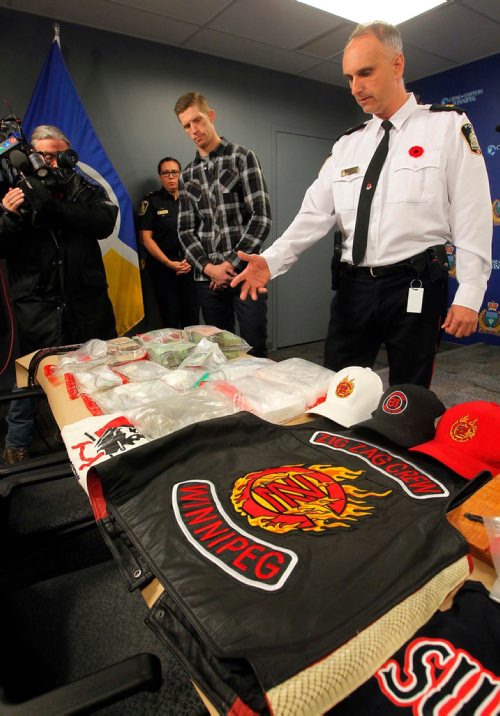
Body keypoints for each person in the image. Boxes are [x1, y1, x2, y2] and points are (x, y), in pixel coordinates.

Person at [231, 21, 492, 386]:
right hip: (355, 288)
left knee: (409, 396)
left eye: (366, 73)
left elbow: (472, 212)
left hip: (414, 285)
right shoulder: (348, 144)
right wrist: (271, 261)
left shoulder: (446, 127)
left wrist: (469, 292)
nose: (356, 87)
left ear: (397, 65)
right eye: (350, 77)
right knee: (335, 389)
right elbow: (314, 214)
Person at [0, 124, 117, 463]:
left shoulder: (84, 187)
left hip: (86, 302)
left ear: (68, 156)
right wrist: (9, 216)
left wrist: (55, 208)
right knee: (28, 378)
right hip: (37, 306)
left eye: (56, 156)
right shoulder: (13, 190)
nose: (49, 163)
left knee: (95, 373)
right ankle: (17, 442)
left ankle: (103, 434)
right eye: (42, 156)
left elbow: (104, 220)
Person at [174, 92, 271, 357]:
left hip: (244, 273)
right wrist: (209, 268)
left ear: (211, 116)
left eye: (198, 120)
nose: (194, 130)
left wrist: (227, 266)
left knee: (254, 345)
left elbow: (260, 218)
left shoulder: (242, 158)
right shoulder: (186, 176)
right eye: (186, 125)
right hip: (206, 280)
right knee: (218, 354)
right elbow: (185, 230)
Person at [137, 157, 199, 328]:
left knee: (192, 316)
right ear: (160, 176)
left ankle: (194, 354)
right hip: (163, 269)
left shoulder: (192, 201)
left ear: (180, 174)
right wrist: (169, 263)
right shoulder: (152, 201)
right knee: (169, 316)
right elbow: (146, 239)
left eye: (174, 172)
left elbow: (200, 233)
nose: (171, 177)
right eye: (166, 173)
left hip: (190, 266)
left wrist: (191, 260)